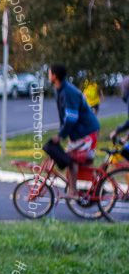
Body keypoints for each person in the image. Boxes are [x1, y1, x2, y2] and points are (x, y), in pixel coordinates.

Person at [45, 64, 100, 200]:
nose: (48, 76)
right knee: (82, 164)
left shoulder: (67, 92)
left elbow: (71, 118)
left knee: (72, 160)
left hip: (85, 131)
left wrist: (61, 135)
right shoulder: (61, 89)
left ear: (55, 76)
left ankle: (74, 192)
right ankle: (95, 189)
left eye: (49, 73)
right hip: (81, 131)